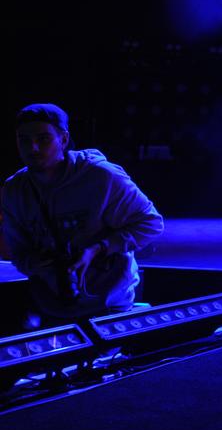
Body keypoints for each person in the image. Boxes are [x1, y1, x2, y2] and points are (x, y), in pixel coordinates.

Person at [2, 104, 164, 325]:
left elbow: (150, 223)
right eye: (24, 139)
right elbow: (19, 251)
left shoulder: (101, 177)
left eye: (43, 139)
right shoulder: (14, 191)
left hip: (110, 301)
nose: (33, 148)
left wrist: (99, 248)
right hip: (52, 303)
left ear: (64, 140)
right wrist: (43, 268)